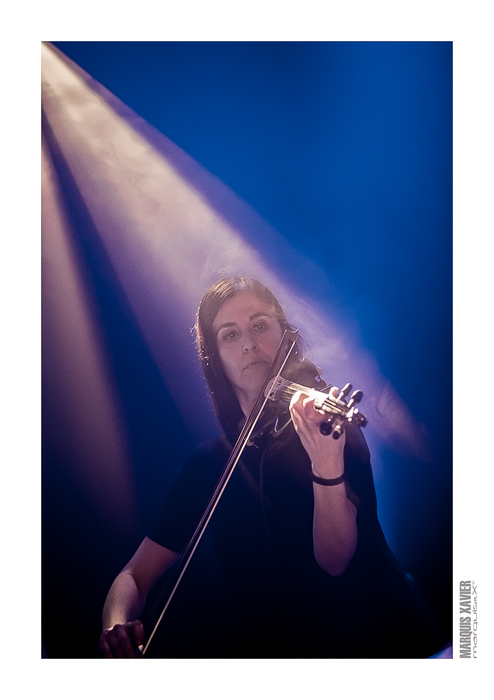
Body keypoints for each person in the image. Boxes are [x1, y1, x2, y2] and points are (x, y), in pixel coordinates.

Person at [99, 276, 449, 658]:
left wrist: (325, 463)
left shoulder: (328, 429)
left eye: (260, 325)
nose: (249, 343)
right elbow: (133, 576)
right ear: (215, 358)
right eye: (230, 335)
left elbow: (335, 561)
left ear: (286, 337)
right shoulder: (210, 464)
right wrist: (116, 624)